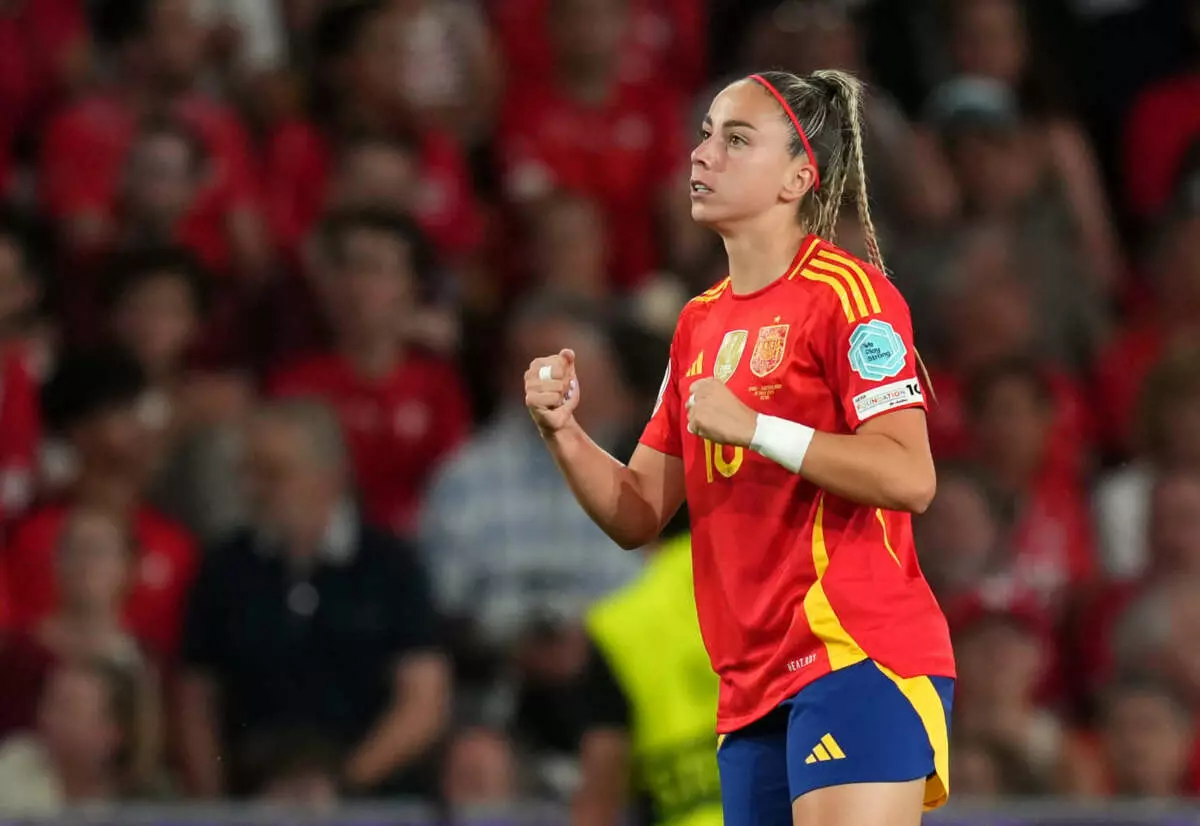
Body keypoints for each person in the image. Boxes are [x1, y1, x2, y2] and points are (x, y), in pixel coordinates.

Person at [524, 69, 955, 826]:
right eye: (703, 134)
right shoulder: (698, 324)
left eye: (736, 138)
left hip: (853, 655)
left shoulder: (848, 296)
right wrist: (564, 432)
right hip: (750, 686)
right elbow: (637, 513)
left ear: (798, 177)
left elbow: (908, 473)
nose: (702, 154)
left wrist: (759, 428)